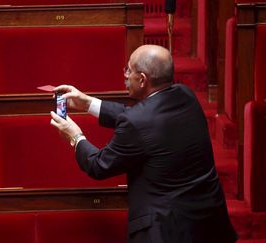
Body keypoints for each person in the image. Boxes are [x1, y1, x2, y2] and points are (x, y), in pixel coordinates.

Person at [50, 45, 237, 243]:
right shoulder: (186, 96)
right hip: (209, 224)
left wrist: (75, 136)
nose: (125, 74)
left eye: (129, 70)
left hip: (166, 232)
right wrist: (88, 103)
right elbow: (142, 119)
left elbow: (99, 165)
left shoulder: (137, 122)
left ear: (142, 79)